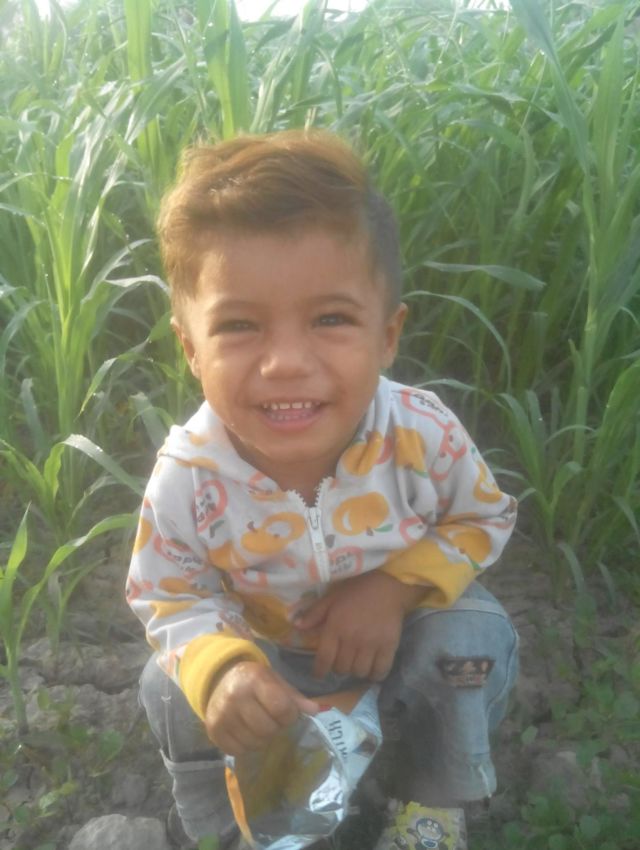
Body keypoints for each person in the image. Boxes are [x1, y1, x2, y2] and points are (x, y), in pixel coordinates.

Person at [126, 130, 519, 850]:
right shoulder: (189, 472)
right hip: (271, 664)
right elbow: (167, 593)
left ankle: (428, 802)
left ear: (387, 335)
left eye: (330, 319)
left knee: (469, 636)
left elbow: (482, 516)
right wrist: (226, 669)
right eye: (239, 326)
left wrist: (394, 589)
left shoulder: (421, 432)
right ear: (190, 348)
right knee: (169, 683)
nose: (285, 362)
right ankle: (240, 824)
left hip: (396, 651)